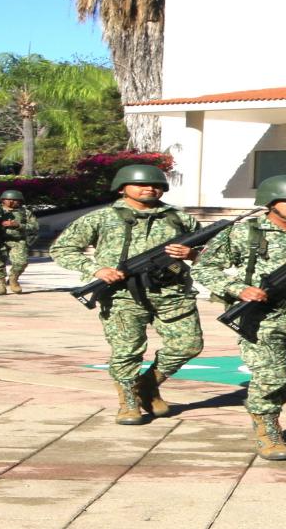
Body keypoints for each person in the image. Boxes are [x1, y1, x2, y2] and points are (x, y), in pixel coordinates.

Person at [194, 175, 286, 461]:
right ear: (271, 202)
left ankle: (261, 402)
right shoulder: (245, 233)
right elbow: (203, 269)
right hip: (264, 319)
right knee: (270, 377)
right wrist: (238, 289)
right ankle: (268, 431)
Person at [50, 164, 204, 425]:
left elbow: (210, 255)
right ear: (122, 188)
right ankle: (128, 401)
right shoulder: (101, 218)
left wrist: (193, 255)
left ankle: (146, 385)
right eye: (141, 184)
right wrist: (96, 269)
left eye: (155, 184)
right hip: (122, 295)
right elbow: (63, 249)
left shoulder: (180, 219)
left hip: (172, 294)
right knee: (127, 351)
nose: (149, 188)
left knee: (188, 345)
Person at [0, 189, 38, 296]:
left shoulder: (26, 212)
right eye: (8, 199)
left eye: (15, 200)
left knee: (21, 262)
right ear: (2, 200)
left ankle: (13, 279)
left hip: (18, 241)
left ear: (20, 201)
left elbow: (35, 227)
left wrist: (17, 225)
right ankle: (1, 286)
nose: (11, 202)